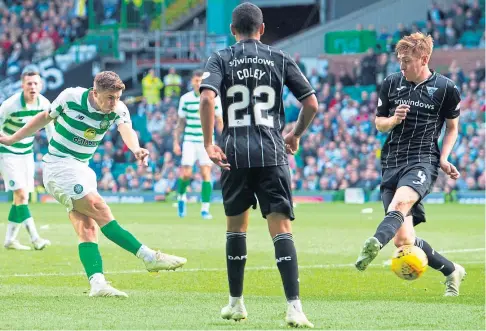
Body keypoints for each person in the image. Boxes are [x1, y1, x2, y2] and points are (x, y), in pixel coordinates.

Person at [0, 71, 187, 297]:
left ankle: (97, 283)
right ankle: (149, 257)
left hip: (82, 168)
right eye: (110, 97)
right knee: (100, 208)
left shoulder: (118, 109)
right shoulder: (71, 97)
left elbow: (126, 129)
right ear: (94, 92)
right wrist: (12, 139)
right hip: (58, 165)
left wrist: (136, 149)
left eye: (117, 97)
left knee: (87, 228)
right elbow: (44, 117)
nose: (114, 102)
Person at [198, 2, 317, 328]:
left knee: (236, 228)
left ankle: (236, 303)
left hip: (233, 154)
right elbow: (311, 103)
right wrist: (294, 134)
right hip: (272, 153)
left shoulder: (220, 58)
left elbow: (207, 98)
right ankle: (294, 308)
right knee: (281, 228)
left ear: (233, 31)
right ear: (262, 29)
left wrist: (209, 143)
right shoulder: (280, 58)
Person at [354, 32, 466, 296]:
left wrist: (444, 157)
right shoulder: (392, 83)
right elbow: (379, 123)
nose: (401, 66)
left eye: (406, 60)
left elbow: (452, 128)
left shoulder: (446, 89)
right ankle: (452, 270)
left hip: (422, 161)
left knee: (400, 204)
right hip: (391, 162)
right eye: (399, 60)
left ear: (423, 58)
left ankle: (374, 243)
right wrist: (393, 120)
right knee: (403, 240)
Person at [1, 71, 52, 251]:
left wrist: (54, 151)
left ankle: (9, 240)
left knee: (21, 198)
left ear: (40, 85)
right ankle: (35, 238)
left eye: (35, 83)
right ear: (22, 85)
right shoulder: (10, 105)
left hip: (26, 154)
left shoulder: (45, 104)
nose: (32, 87)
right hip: (7, 152)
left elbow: (50, 127)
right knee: (21, 195)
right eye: (29, 83)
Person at [173, 70, 223, 219]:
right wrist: (176, 142)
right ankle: (181, 198)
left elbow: (219, 121)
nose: (198, 83)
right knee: (186, 173)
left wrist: (225, 139)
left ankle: (205, 209)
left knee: (205, 173)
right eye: (196, 80)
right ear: (192, 82)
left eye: (201, 80)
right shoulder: (185, 99)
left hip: (207, 140)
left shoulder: (214, 98)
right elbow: (180, 123)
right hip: (189, 139)